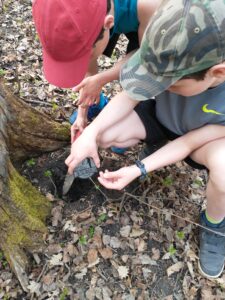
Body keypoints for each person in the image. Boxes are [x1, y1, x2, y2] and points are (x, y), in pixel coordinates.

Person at [65, 0, 225, 279]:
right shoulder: (174, 42)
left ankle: (215, 223)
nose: (161, 86)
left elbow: (187, 144)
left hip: (202, 141)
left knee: (224, 171)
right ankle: (151, 138)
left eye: (169, 84)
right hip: (164, 118)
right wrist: (90, 133)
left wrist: (139, 168)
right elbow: (132, 93)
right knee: (105, 133)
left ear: (217, 73)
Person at [32, 0, 159, 142]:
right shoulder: (78, 11)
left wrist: (102, 79)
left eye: (85, 55)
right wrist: (82, 115)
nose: (85, 60)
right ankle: (99, 104)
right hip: (117, 15)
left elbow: (144, 58)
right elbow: (88, 66)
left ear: (108, 24)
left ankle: (144, 122)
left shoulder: (148, 6)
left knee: (138, 76)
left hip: (150, 21)